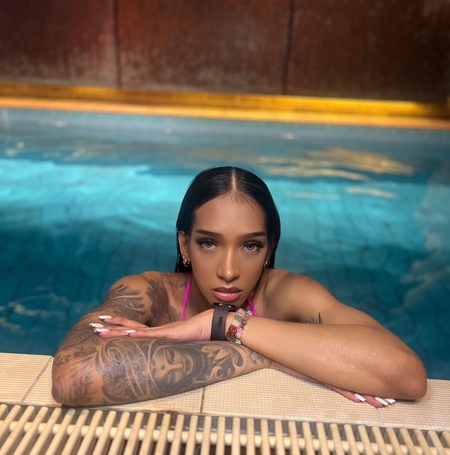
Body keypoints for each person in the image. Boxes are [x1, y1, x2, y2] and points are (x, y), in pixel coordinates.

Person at [52, 166, 427, 408]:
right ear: (185, 246)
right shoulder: (149, 293)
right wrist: (270, 356)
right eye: (208, 243)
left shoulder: (287, 294)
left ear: (269, 249)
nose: (229, 271)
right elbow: (73, 378)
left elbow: (406, 374)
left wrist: (229, 324)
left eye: (250, 246)